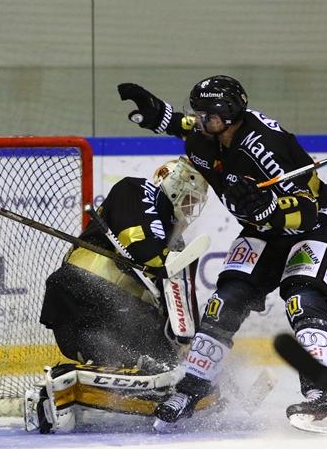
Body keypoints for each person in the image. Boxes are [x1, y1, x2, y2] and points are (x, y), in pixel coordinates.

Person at [118, 76, 327, 434]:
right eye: (199, 114)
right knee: (224, 302)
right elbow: (183, 125)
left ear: (229, 116)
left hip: (316, 227)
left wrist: (269, 208)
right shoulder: (206, 136)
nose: (201, 121)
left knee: (303, 301)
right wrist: (158, 115)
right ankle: (192, 388)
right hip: (263, 233)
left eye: (208, 116)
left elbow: (308, 210)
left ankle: (322, 397)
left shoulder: (265, 146)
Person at [24, 158, 212, 433]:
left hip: (109, 314)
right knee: (163, 365)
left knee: (160, 363)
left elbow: (175, 297)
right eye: (189, 200)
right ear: (174, 187)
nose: (190, 209)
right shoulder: (137, 190)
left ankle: (59, 391)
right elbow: (142, 248)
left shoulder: (173, 242)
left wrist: (187, 346)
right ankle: (71, 380)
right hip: (83, 293)